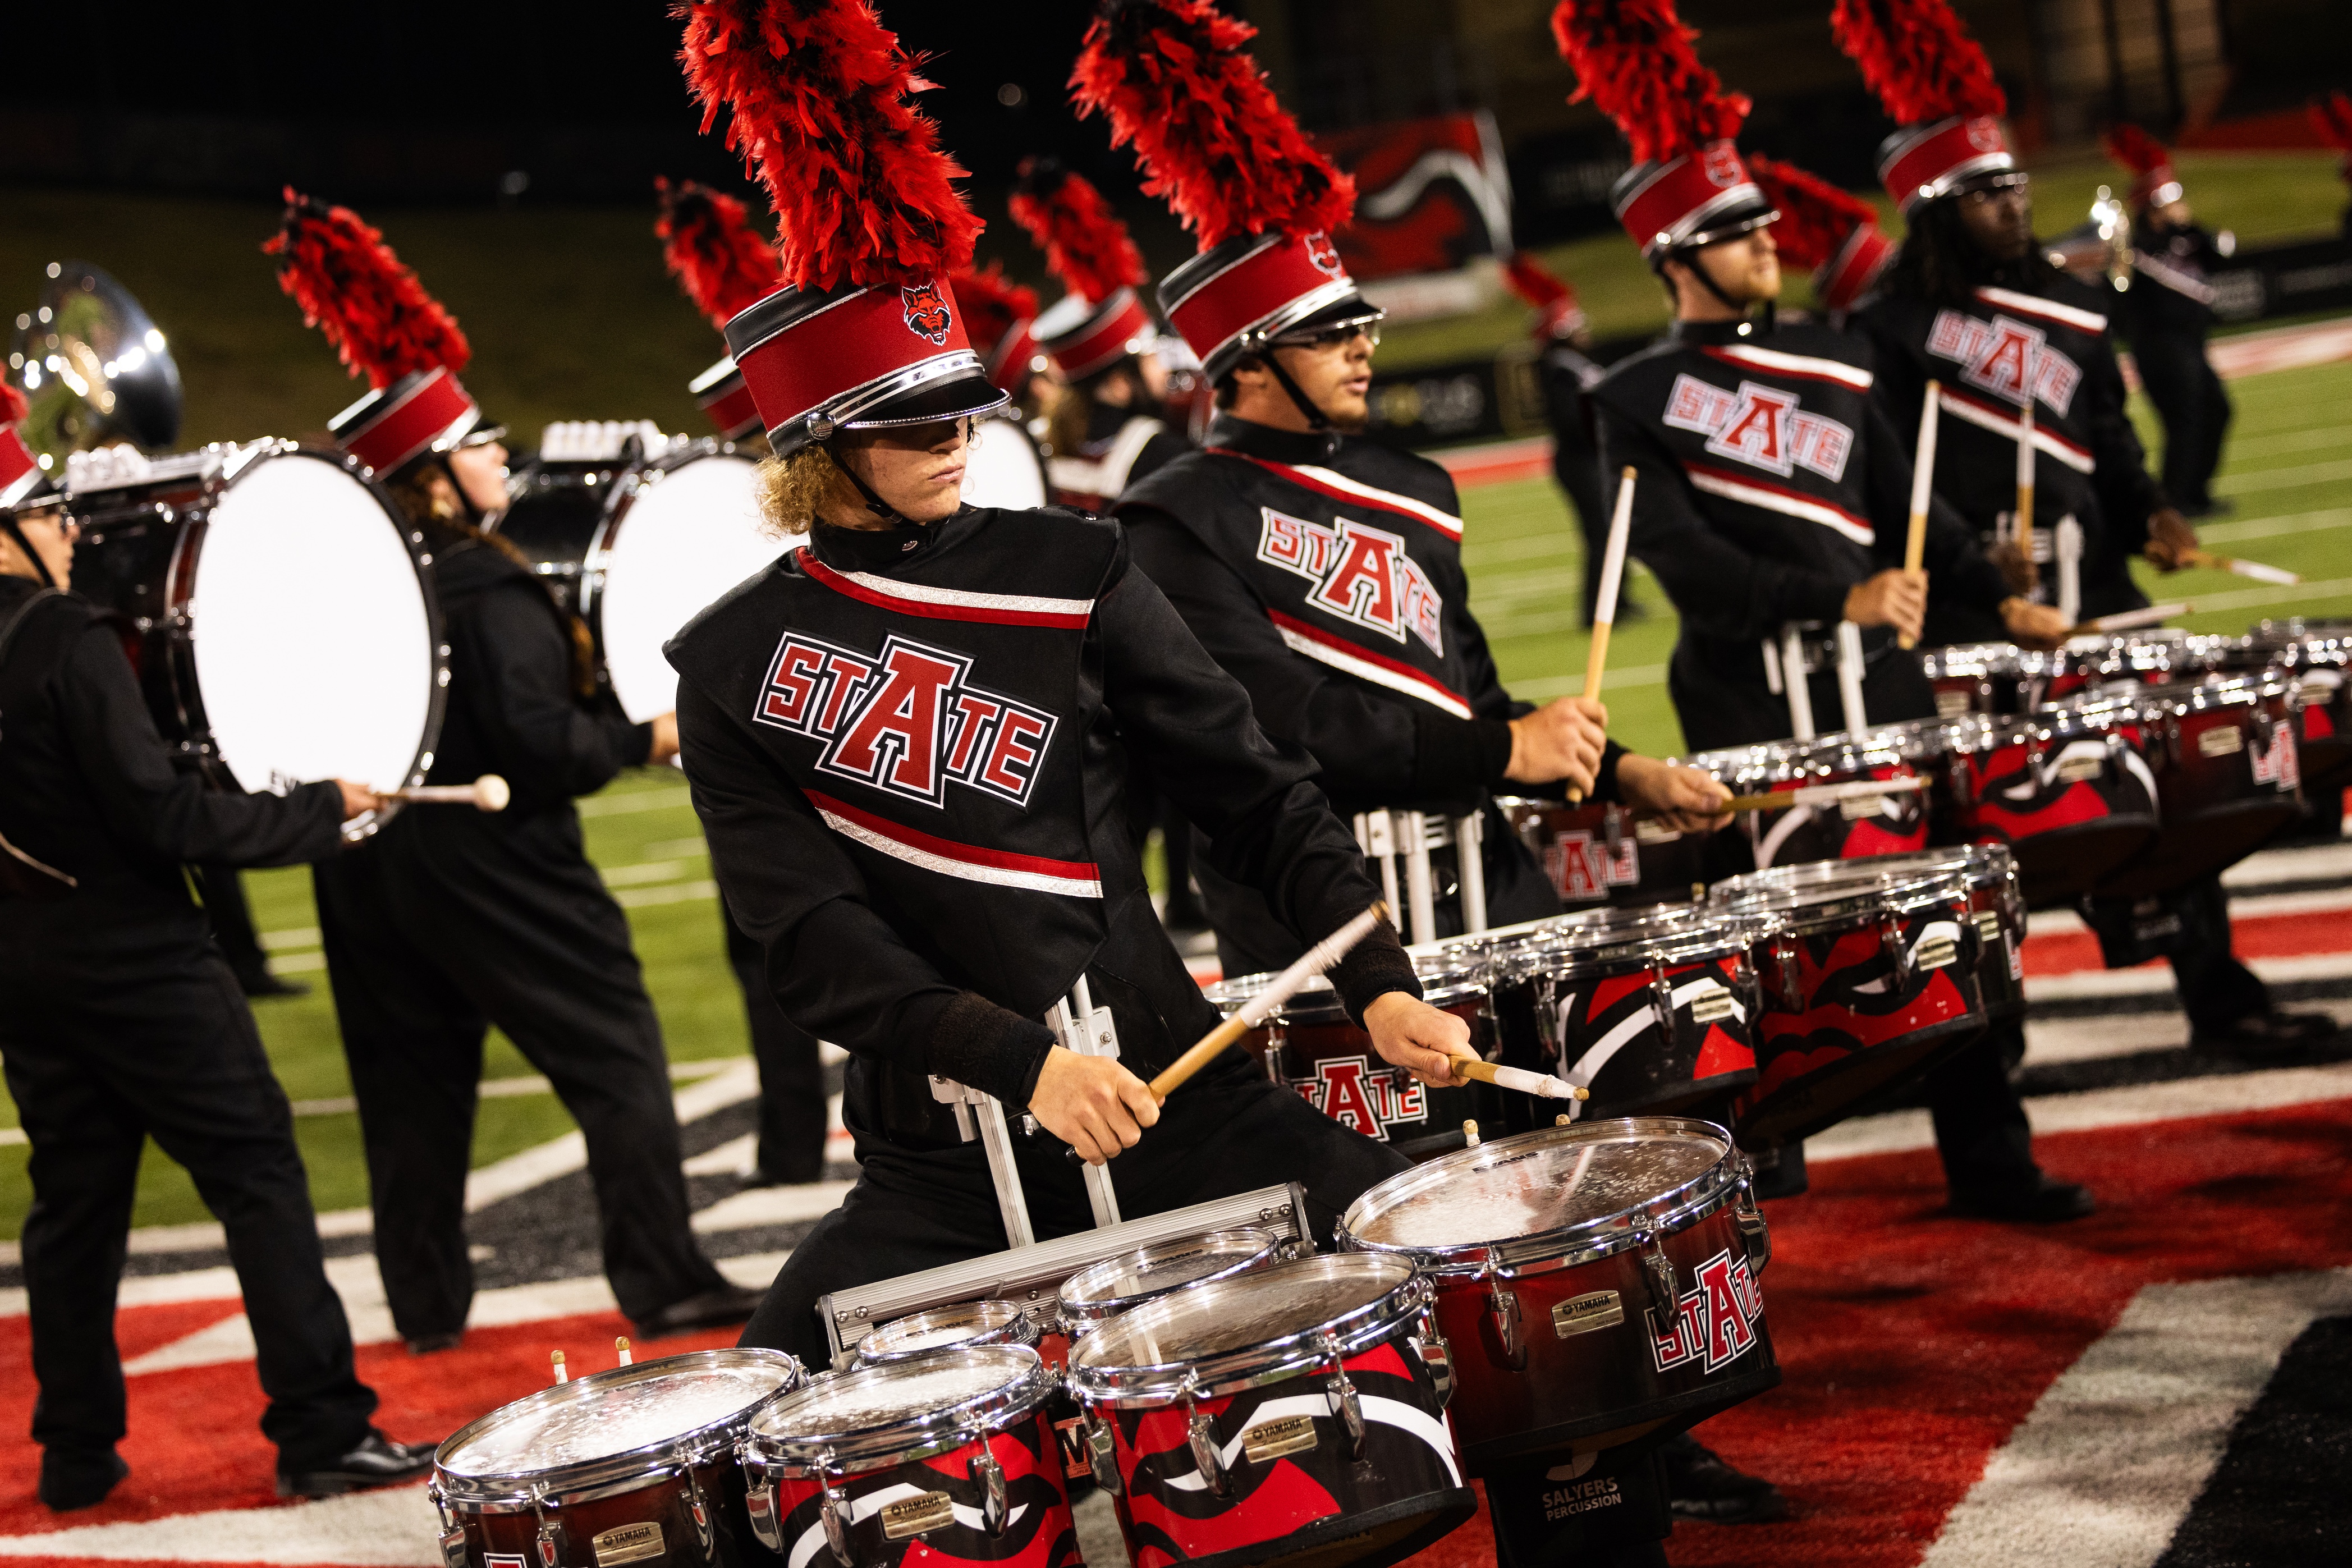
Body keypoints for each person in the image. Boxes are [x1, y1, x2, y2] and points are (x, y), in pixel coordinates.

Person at [665, 0, 1475, 1390]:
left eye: (962, 410)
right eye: (910, 424)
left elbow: (1251, 793)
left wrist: (1379, 980)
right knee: (754, 1426)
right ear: (815, 447)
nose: (955, 442)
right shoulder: (729, 661)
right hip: (941, 1152)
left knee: (1466, 1276)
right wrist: (1013, 1061)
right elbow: (806, 939)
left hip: (1179, 1088)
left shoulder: (1075, 568)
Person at [1086, 2, 1753, 1558]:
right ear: (1246, 355)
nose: (1366, 347)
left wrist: (1600, 770)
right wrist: (1486, 750)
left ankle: (1616, 1446)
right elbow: (1271, 733)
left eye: (1360, 323)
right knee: (1399, 1222)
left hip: (1484, 886)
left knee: (1549, 1191)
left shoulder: (1410, 480)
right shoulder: (1168, 518)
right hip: (1324, 927)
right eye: (1334, 332)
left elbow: (1462, 698)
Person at [268, 191, 761, 1350]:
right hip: (499, 859)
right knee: (618, 1056)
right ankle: (660, 1272)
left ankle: (425, 1304)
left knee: (410, 1093)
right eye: (482, 443)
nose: (503, 454)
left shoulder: (362, 580)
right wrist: (640, 738)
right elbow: (540, 747)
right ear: (438, 474)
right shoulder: (490, 590)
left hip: (371, 861)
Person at [1836, 3, 2341, 1060]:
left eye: (2016, 185)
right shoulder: (1883, 331)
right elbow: (1879, 485)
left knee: (2162, 799)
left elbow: (2104, 429)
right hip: (1972, 613)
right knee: (2000, 832)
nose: (2016, 205)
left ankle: (2225, 998)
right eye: (1988, 193)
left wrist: (2150, 505)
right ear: (1937, 209)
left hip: (2094, 588)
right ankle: (1992, 1056)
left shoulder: (2063, 305)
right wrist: (1970, 564)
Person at [0, 427, 434, 1510]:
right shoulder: (63, 635)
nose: (65, 529)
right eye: (47, 512)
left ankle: (76, 1447)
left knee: (73, 1203)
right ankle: (322, 1424)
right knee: (256, 1172)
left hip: (19, 961)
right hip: (136, 957)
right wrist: (318, 810)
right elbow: (162, 815)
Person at [1014, 158, 1190, 511]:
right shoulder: (1166, 456)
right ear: (1118, 385)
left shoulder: (1042, 450)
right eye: (1150, 355)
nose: (1163, 367)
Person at [2103, 126, 2235, 518]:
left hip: (2192, 345)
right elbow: (2120, 290)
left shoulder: (2186, 238)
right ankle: (2174, 501)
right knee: (2183, 423)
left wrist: (2190, 228)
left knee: (2217, 411)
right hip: (2160, 348)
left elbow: (2219, 256)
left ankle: (2195, 491)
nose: (2177, 209)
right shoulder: (2135, 249)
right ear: (2151, 208)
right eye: (2167, 203)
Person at [1502, 250, 1621, 626]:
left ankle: (1619, 602)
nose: (1584, 331)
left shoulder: (1572, 367)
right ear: (1562, 334)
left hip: (1590, 458)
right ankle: (1597, 612)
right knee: (1600, 535)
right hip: (1580, 461)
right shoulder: (1559, 371)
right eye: (1575, 325)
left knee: (1613, 532)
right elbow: (1574, 421)